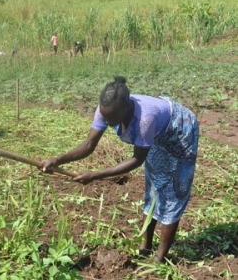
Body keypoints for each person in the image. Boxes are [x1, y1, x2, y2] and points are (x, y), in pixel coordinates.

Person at [42, 76, 199, 263]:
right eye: (104, 115)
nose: (106, 121)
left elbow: (137, 160)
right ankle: (145, 247)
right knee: (154, 189)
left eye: (111, 117)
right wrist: (57, 160)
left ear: (126, 107)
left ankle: (160, 259)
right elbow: (89, 144)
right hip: (157, 135)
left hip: (180, 132)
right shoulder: (106, 109)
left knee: (173, 194)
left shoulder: (145, 119)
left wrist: (97, 175)